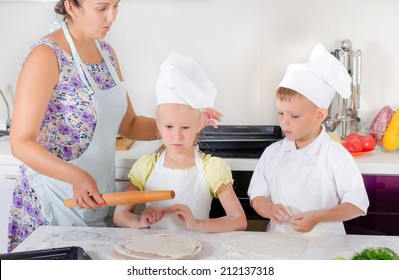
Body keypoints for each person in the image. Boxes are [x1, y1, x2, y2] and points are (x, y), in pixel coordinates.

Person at [7, 0, 221, 252]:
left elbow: (129, 124)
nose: (112, 16)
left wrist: (185, 123)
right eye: (102, 8)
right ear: (72, 7)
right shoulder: (44, 56)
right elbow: (20, 143)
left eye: (116, 6)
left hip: (98, 195)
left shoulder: (106, 52)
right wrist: (75, 176)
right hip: (53, 199)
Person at [113, 52, 247, 232]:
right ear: (158, 124)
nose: (177, 137)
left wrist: (198, 224)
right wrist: (140, 220)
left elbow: (239, 220)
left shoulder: (212, 169)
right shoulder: (145, 167)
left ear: (199, 124)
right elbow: (120, 215)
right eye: (169, 126)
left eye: (185, 127)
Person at [247, 43, 369, 235]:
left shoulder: (336, 155)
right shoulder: (273, 153)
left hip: (326, 250)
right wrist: (269, 209)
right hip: (279, 245)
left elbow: (357, 204)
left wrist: (319, 216)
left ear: (320, 115)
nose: (284, 122)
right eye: (280, 113)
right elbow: (257, 195)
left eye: (294, 116)